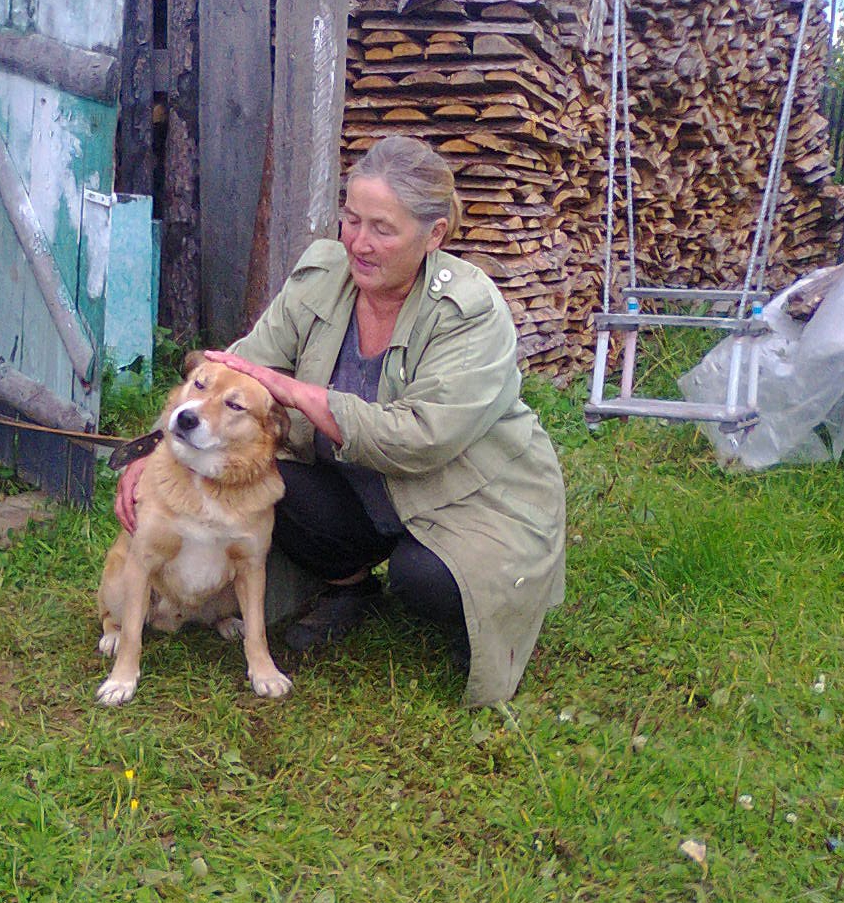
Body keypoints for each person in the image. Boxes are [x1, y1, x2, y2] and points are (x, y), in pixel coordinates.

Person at [115, 135, 565, 706]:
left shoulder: (470, 310)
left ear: (435, 236)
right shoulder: (323, 276)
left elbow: (422, 440)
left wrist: (300, 394)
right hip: (358, 487)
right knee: (269, 488)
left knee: (422, 575)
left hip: (465, 497)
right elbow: (234, 369)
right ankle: (348, 587)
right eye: (351, 219)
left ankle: (481, 618)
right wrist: (154, 454)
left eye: (382, 228)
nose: (359, 242)